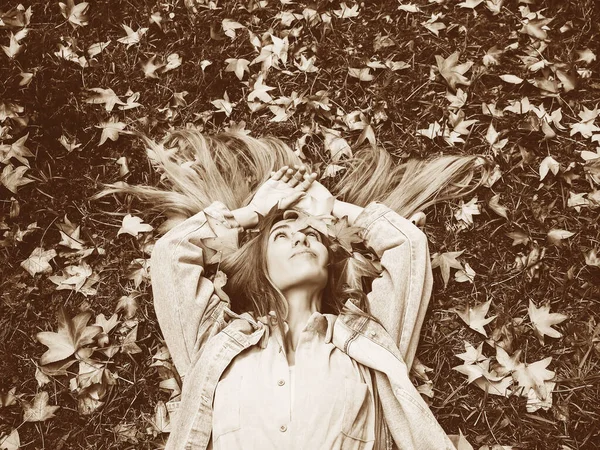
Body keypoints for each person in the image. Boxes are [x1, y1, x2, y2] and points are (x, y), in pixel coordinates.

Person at [99, 130, 489, 449]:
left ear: (329, 259)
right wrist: (252, 213)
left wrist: (334, 208)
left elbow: (408, 247)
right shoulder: (214, 342)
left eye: (312, 235)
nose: (301, 240)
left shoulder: (371, 341)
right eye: (282, 235)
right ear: (260, 263)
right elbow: (171, 255)